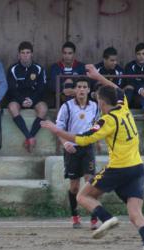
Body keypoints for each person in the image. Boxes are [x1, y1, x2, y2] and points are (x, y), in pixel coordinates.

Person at [41, 65, 144, 250]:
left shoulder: (107, 120)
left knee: (82, 196)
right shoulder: (124, 107)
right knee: (135, 213)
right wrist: (98, 76)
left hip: (119, 168)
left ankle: (107, 218)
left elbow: (83, 139)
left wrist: (56, 130)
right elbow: (118, 90)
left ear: (102, 103)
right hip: (138, 167)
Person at [55, 77, 100, 230]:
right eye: (79, 87)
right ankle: (75, 216)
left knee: (90, 182)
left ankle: (94, 218)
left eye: (84, 87)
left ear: (89, 90)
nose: (81, 90)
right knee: (74, 187)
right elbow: (59, 128)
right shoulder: (66, 107)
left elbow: (97, 125)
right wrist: (65, 143)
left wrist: (97, 141)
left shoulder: (94, 106)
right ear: (75, 90)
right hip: (72, 148)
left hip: (87, 147)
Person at [6, 41, 48, 154]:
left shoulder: (39, 68)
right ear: (19, 55)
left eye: (28, 52)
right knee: (12, 107)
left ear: (32, 54)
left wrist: (32, 100)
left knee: (43, 109)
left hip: (34, 98)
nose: (25, 55)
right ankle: (29, 136)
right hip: (18, 98)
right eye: (23, 53)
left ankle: (30, 136)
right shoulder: (13, 69)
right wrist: (21, 100)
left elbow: (41, 88)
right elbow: (12, 89)